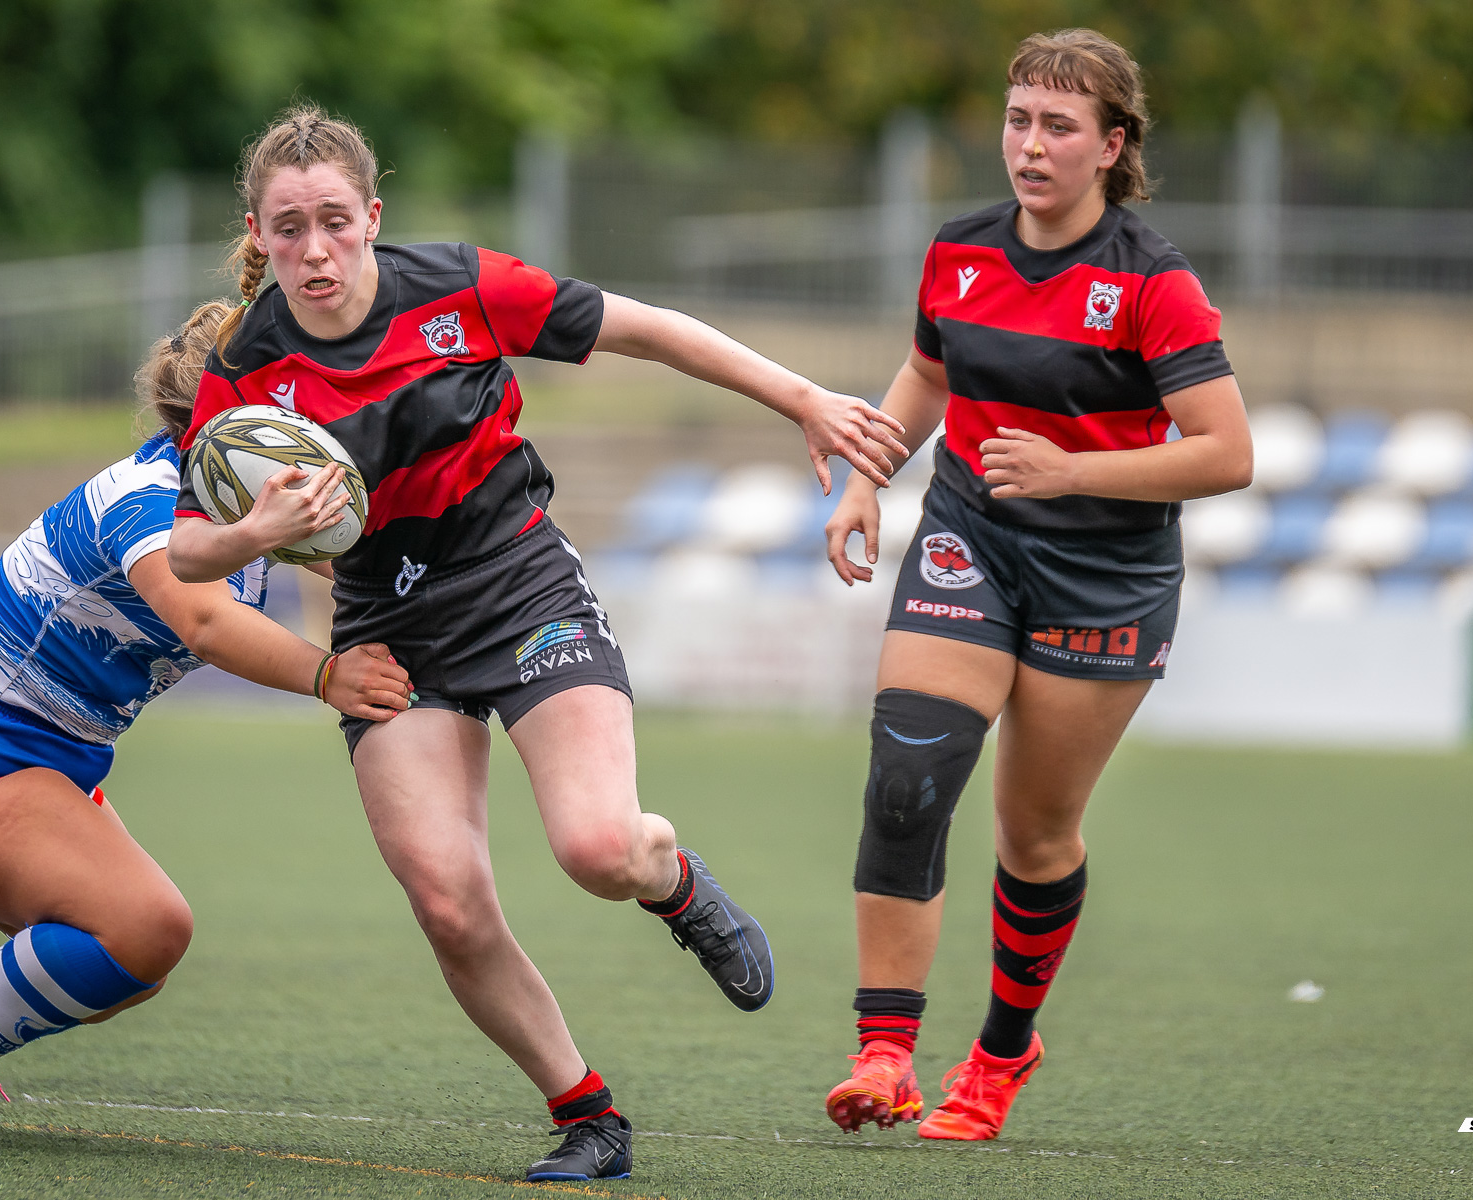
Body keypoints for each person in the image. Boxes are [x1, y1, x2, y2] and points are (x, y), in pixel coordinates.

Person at [164, 104, 908, 1183]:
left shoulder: (459, 288)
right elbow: (187, 555)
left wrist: (799, 398)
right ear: (258, 234)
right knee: (447, 899)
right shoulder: (246, 372)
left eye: (334, 220)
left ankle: (676, 882)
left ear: (373, 217)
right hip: (387, 626)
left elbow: (646, 327)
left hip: (518, 585)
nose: (315, 250)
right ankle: (588, 1114)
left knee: (599, 849)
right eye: (289, 229)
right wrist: (252, 535)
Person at [820, 29, 1253, 1141]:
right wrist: (869, 477)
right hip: (972, 533)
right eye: (1019, 119)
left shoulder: (1152, 282)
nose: (1031, 143)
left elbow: (1226, 452)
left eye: (1060, 125)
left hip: (1104, 575)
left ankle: (1004, 1051)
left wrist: (1074, 472)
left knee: (1035, 833)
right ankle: (886, 1052)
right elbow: (927, 372)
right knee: (909, 774)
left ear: (1112, 146)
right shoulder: (958, 250)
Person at [0, 300, 412, 1141]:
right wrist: (328, 674)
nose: (311, 421)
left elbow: (368, 579)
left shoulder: (240, 512)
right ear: (233, 417)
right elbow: (207, 624)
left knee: (130, 966)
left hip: (37, 769)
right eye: (289, 401)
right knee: (146, 927)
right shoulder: (146, 496)